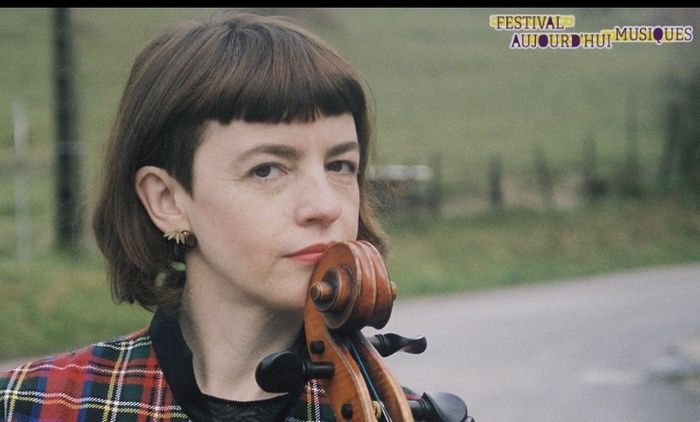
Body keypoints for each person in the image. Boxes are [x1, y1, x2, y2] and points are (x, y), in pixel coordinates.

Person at [0, 11, 391, 421]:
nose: (326, 205)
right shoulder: (31, 405)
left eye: (340, 165)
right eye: (266, 169)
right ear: (167, 200)